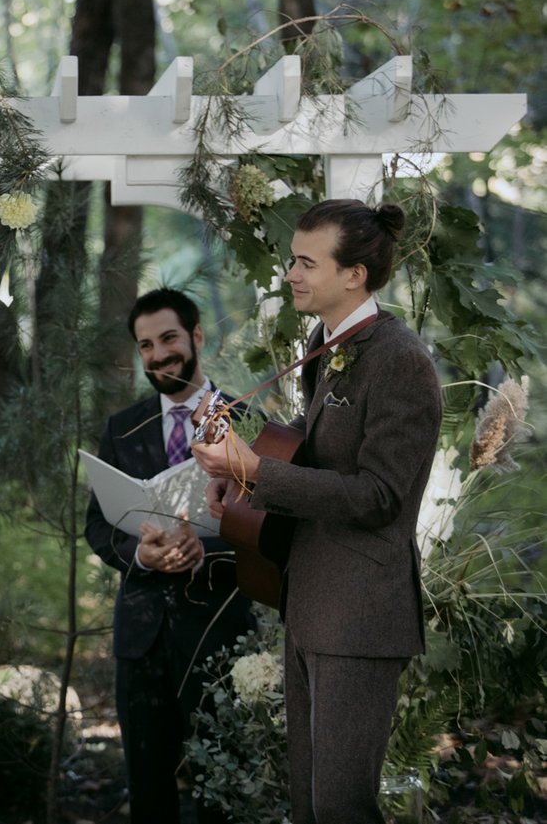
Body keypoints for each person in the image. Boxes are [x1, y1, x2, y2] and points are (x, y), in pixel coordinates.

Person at [195, 199, 440, 824]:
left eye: (306, 262)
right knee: (308, 807)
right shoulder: (326, 341)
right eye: (291, 259)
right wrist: (242, 474)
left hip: (360, 616)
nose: (291, 274)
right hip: (309, 603)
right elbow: (314, 437)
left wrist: (256, 470)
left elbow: (379, 496)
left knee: (341, 809)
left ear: (354, 274)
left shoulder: (400, 359)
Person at [87, 288, 257, 824]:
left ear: (196, 337)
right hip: (142, 636)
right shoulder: (122, 426)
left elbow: (267, 528)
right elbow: (97, 525)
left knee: (222, 787)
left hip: (219, 631)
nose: (158, 355)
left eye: (168, 339)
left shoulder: (247, 420)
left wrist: (203, 552)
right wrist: (142, 554)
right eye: (145, 346)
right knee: (148, 786)